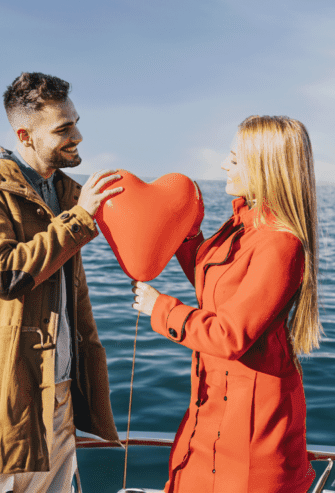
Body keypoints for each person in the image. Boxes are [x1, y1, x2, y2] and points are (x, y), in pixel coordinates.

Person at [0, 72, 122, 493]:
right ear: (25, 135)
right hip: (3, 395)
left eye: (76, 122)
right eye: (64, 128)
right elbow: (3, 274)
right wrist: (81, 218)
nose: (77, 135)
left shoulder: (66, 190)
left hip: (59, 393)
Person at [131, 115, 321, 493]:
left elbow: (231, 335)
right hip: (213, 403)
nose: (223, 165)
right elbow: (215, 285)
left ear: (264, 166)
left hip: (252, 426)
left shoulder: (280, 244)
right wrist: (186, 233)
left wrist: (161, 309)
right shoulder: (241, 225)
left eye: (234, 158)